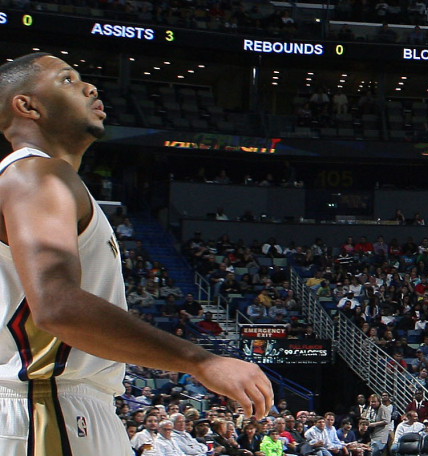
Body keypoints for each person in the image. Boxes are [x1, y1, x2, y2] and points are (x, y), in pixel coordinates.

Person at [0, 52, 272, 456]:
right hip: (46, 402)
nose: (90, 87)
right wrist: (201, 361)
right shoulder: (35, 174)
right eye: (67, 80)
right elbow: (57, 306)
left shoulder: (40, 179)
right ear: (26, 105)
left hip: (65, 405)